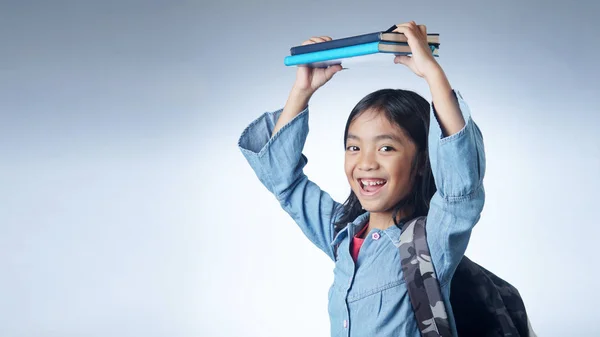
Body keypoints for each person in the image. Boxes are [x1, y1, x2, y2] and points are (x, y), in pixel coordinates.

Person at [238, 21, 486, 337]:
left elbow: (460, 191)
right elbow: (282, 181)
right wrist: (302, 90)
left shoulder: (433, 242)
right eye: (354, 147)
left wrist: (433, 75)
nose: (366, 163)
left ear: (424, 160)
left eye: (386, 147)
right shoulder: (342, 233)